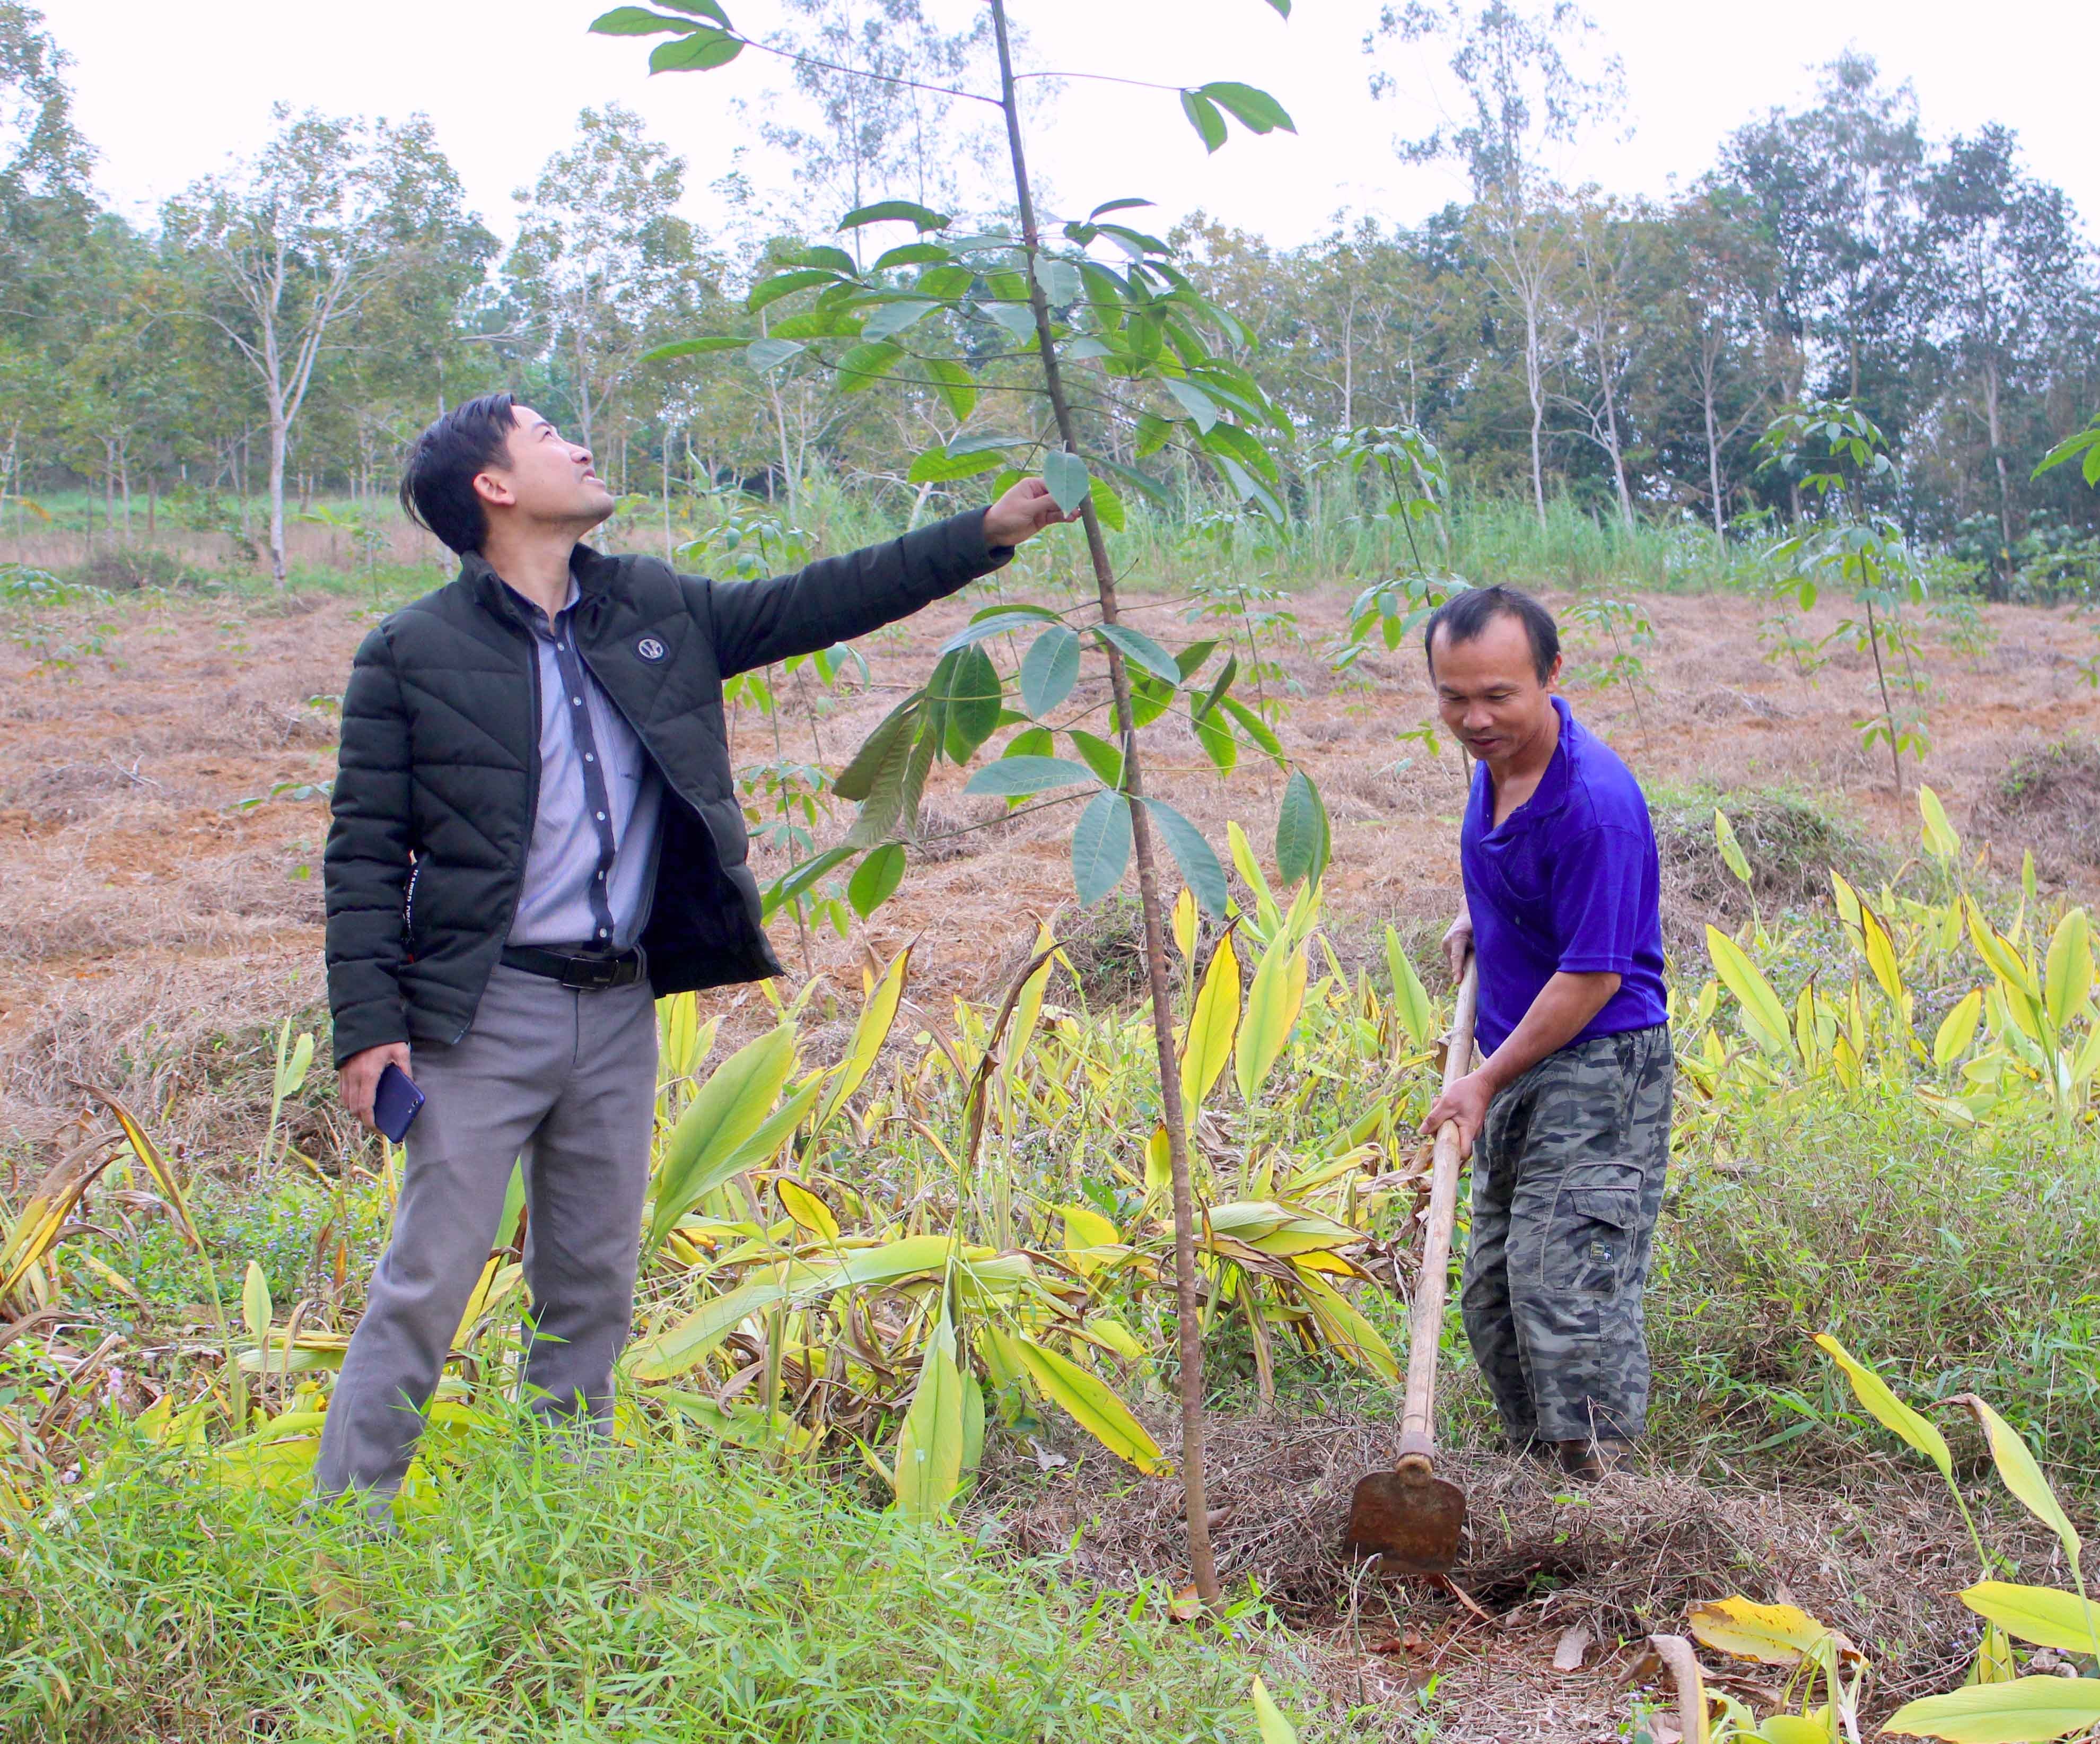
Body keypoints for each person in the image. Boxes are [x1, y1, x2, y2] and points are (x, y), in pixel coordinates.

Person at [316, 391, 1072, 1518]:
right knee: (427, 1283)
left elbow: (820, 600)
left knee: (589, 1288)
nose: (578, 445)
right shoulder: (412, 653)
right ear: (496, 487)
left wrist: (984, 535)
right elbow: (366, 854)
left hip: (617, 1007)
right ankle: (344, 1531)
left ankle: (560, 1523)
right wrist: (369, 1025)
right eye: (545, 437)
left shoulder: (652, 607)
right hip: (483, 1015)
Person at [1419, 585, 1672, 1481]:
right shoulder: (1495, 767)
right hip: (1526, 1049)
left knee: (1564, 1278)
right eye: (1454, 697)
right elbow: (1522, 869)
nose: (1475, 719)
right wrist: (1480, 916)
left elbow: (1594, 975)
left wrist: (1483, 1081)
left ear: (1552, 677)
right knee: (1494, 1283)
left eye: (1498, 696)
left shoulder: (1593, 804)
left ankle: (1603, 1491)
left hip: (1601, 1057)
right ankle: (1538, 1474)